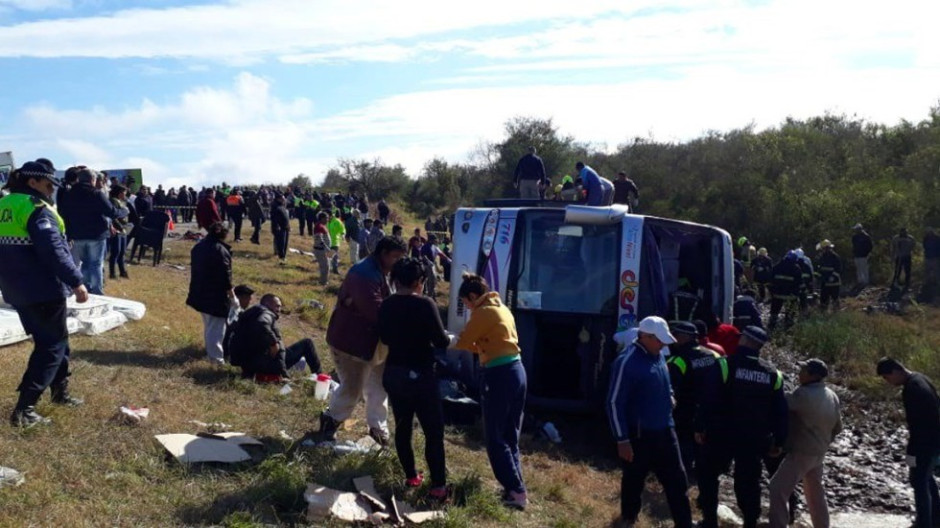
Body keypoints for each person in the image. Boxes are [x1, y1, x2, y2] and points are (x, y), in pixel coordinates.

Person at [0, 161, 90, 427]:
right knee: (50, 347)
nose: (52, 190)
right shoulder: (36, 209)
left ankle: (60, 392)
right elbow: (54, 251)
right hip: (42, 289)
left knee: (57, 339)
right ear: (33, 183)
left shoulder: (4, 206)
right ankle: (24, 409)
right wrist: (76, 281)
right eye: (49, 184)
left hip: (15, 289)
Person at [319, 237, 407, 446]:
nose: (397, 261)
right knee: (353, 387)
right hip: (353, 342)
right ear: (383, 253)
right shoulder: (364, 274)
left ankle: (377, 428)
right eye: (395, 257)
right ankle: (331, 420)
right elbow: (376, 312)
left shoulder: (384, 272)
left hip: (374, 342)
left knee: (378, 386)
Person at [697, 326, 787, 528]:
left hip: (721, 434)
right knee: (749, 482)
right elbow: (780, 411)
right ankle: (750, 522)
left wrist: (700, 426)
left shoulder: (725, 365)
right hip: (754, 438)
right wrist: (779, 440)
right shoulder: (773, 374)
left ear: (745, 341)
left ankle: (710, 521)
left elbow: (708, 399)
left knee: (708, 475)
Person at [607, 316, 692, 528]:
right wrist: (622, 439)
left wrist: (669, 395)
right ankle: (628, 518)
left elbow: (664, 380)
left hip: (666, 430)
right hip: (640, 434)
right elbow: (614, 402)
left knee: (678, 481)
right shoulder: (627, 362)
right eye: (659, 340)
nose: (663, 344)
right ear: (645, 337)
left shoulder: (659, 355)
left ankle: (685, 523)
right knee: (634, 479)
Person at [454, 273, 529, 510]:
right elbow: (490, 341)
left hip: (498, 375)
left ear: (473, 296)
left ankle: (515, 491)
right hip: (516, 370)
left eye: (466, 302)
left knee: (495, 436)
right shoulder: (501, 308)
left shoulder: (483, 312)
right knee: (509, 434)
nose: (466, 307)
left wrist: (447, 340)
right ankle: (516, 486)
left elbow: (464, 341)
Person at [378, 258, 451, 500]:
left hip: (395, 373)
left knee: (402, 426)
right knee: (433, 431)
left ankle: (411, 475)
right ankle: (438, 485)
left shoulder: (386, 305)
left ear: (395, 280)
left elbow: (386, 339)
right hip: (421, 375)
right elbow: (441, 341)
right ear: (420, 281)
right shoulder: (425, 305)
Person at [768, 359, 842, 528]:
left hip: (802, 452)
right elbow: (838, 428)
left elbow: (783, 403)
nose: (799, 372)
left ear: (812, 375)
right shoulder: (832, 395)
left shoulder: (804, 394)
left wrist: (779, 384)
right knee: (815, 493)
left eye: (803, 370)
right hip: (819, 452)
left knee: (777, 489)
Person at [876, 358, 940, 528]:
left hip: (923, 444)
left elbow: (919, 424)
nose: (888, 382)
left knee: (918, 481)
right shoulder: (921, 379)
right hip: (932, 442)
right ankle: (935, 518)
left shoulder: (913, 389)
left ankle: (924, 523)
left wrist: (911, 452)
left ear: (895, 372)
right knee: (926, 478)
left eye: (886, 377)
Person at [666, 321, 727, 480]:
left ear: (683, 337)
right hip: (713, 411)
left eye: (675, 335)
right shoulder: (714, 355)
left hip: (686, 412)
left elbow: (669, 390)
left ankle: (682, 478)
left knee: (684, 446)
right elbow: (725, 380)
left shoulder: (677, 361)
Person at [58, 167, 128, 295]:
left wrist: (69, 233)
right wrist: (124, 211)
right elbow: (111, 212)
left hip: (77, 234)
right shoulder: (95, 193)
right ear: (93, 179)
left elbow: (63, 214)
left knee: (85, 263)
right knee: (96, 264)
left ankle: (86, 288)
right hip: (96, 234)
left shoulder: (69, 194)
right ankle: (97, 291)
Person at [230, 294, 321, 381]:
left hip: (248, 365)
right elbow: (262, 324)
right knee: (307, 343)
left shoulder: (251, 314)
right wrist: (274, 343)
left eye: (280, 307)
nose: (279, 309)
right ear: (266, 304)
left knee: (293, 355)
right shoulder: (266, 313)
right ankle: (320, 377)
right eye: (277, 306)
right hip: (264, 365)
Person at [185, 222, 235, 365]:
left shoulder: (199, 247)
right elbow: (226, 277)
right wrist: (232, 296)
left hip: (199, 291)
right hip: (215, 295)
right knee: (217, 329)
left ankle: (210, 352)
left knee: (209, 325)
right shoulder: (220, 251)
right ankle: (216, 360)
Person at [769, 251, 803, 331]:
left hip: (777, 294)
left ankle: (772, 325)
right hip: (791, 296)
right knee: (790, 313)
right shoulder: (796, 269)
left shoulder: (777, 266)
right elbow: (799, 283)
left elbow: (770, 280)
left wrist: (772, 291)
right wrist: (800, 292)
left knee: (774, 311)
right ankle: (788, 326)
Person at [108, 184, 132, 280]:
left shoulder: (122, 202)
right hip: (117, 229)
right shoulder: (113, 201)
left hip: (124, 228)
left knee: (122, 251)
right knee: (115, 252)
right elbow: (114, 216)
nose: (124, 195)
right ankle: (112, 273)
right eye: (123, 193)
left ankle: (122, 271)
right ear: (119, 193)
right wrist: (120, 227)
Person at [815, 239, 842, 310]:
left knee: (835, 299)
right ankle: (823, 315)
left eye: (825, 248)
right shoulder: (821, 257)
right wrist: (818, 277)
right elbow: (819, 269)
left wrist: (832, 277)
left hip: (834, 283)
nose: (824, 250)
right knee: (823, 300)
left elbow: (838, 269)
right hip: (824, 283)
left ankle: (836, 314)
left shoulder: (835, 257)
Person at [312, 212, 332, 285]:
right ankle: (323, 282)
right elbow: (319, 240)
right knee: (325, 267)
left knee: (325, 266)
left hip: (323, 250)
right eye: (326, 218)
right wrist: (327, 249)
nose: (327, 219)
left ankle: (323, 281)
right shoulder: (319, 227)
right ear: (322, 218)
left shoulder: (322, 226)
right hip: (321, 250)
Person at [270, 196, 290, 264]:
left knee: (285, 243)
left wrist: (288, 225)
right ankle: (281, 257)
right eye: (283, 198)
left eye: (284, 198)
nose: (284, 200)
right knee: (281, 243)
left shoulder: (283, 206)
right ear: (278, 199)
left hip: (285, 227)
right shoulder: (275, 207)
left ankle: (284, 255)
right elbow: (274, 218)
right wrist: (276, 226)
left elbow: (286, 217)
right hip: (280, 228)